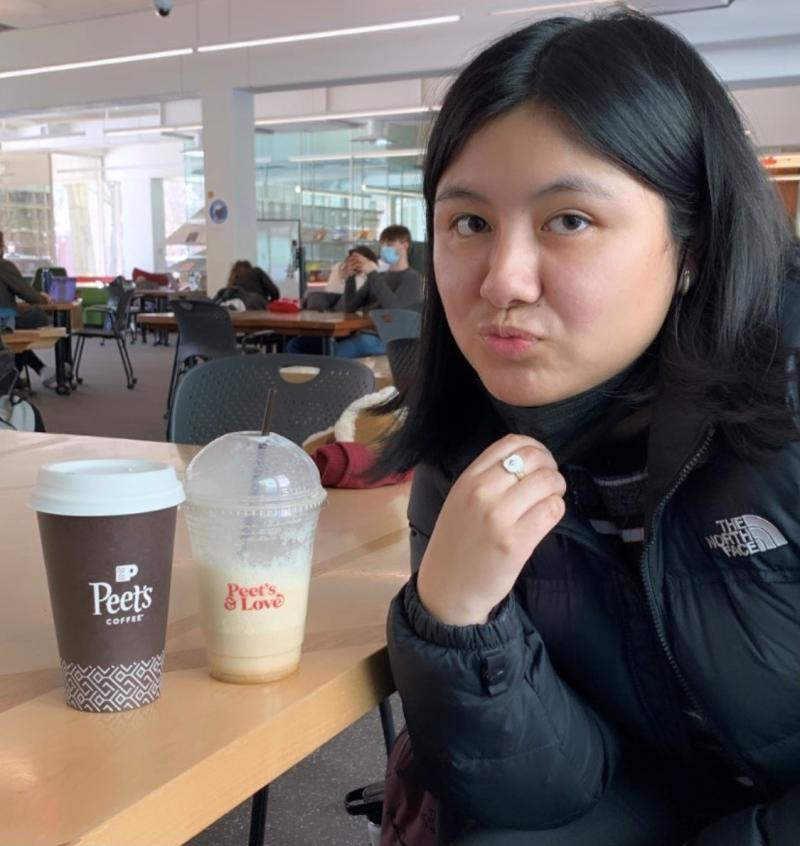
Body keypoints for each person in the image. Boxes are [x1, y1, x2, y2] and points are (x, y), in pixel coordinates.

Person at [379, 11, 800, 845]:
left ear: (694, 246)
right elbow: (543, 801)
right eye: (469, 223)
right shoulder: (469, 453)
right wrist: (458, 624)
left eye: (568, 220)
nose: (503, 279)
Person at [287, 225, 423, 357]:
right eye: (383, 244)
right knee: (297, 344)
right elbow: (350, 307)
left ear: (405, 246)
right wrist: (350, 277)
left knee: (334, 351)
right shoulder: (379, 277)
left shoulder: (412, 278)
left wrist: (372, 273)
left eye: (390, 243)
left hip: (385, 339)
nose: (384, 248)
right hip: (360, 332)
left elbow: (396, 311)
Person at [0, 231, 58, 388]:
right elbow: (28, 295)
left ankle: (34, 372)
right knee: (38, 316)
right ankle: (39, 370)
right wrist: (43, 298)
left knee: (15, 335)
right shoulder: (4, 266)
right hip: (4, 324)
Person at [215, 260, 280, 310]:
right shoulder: (256, 271)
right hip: (258, 309)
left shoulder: (232, 285)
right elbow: (274, 291)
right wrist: (270, 304)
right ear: (249, 267)